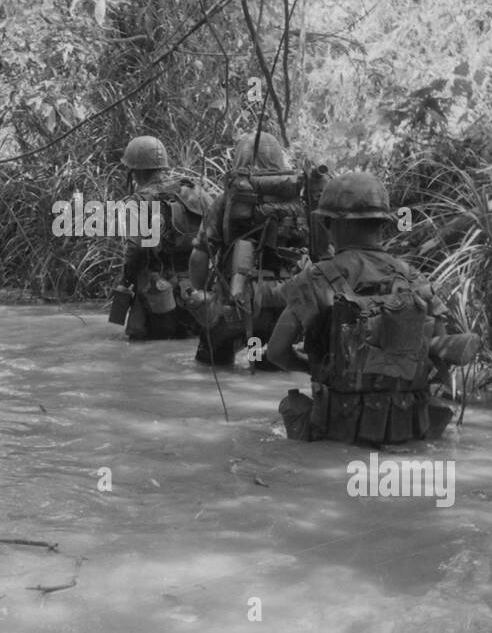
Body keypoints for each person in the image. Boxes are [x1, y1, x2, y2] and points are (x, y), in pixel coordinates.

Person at [266, 171, 466, 445]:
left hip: (337, 429)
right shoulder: (414, 278)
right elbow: (440, 351)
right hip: (407, 429)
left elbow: (276, 352)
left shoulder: (316, 278)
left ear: (329, 224)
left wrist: (318, 368)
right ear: (382, 224)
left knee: (291, 408)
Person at [187, 131, 311, 367]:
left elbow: (199, 257)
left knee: (209, 366)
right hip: (286, 309)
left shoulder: (226, 202)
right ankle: (262, 364)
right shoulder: (299, 202)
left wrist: (201, 293)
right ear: (279, 159)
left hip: (233, 305)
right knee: (273, 371)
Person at [114, 135, 212, 340]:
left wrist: (125, 283)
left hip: (158, 298)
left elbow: (135, 249)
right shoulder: (195, 193)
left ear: (135, 171)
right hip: (195, 296)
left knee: (143, 345)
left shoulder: (140, 200)